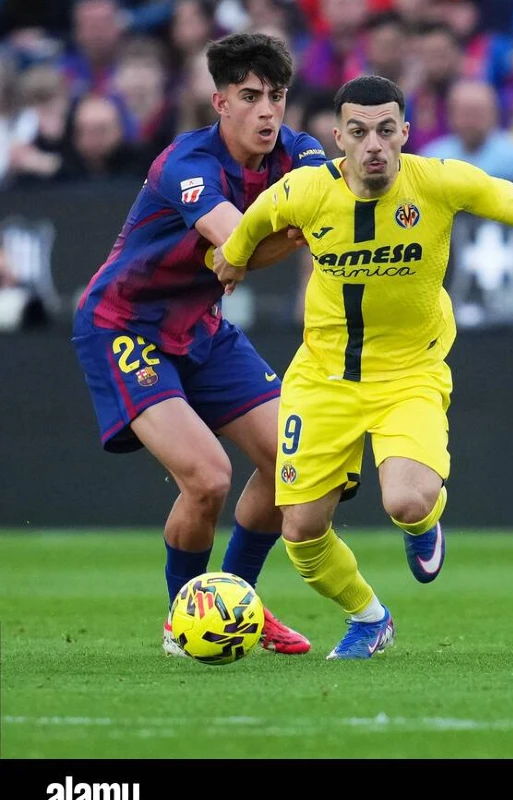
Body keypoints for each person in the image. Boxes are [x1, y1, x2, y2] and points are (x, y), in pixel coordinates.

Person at [212, 75, 513, 659]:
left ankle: (424, 525)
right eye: (358, 132)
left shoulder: (440, 182)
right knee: (299, 530)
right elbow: (249, 226)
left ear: (405, 132)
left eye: (384, 130)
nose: (373, 144)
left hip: (410, 375)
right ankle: (369, 618)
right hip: (322, 379)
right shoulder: (303, 189)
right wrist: (229, 262)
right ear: (337, 138)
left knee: (407, 501)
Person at [71, 33, 328, 657]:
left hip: (201, 327)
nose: (267, 111)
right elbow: (235, 244)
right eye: (250, 97)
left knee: (292, 465)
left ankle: (235, 605)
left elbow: (327, 217)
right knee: (208, 478)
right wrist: (289, 235)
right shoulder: (185, 163)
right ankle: (180, 621)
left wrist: (259, 247)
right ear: (220, 102)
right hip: (124, 325)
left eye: (276, 96)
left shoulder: (303, 152)